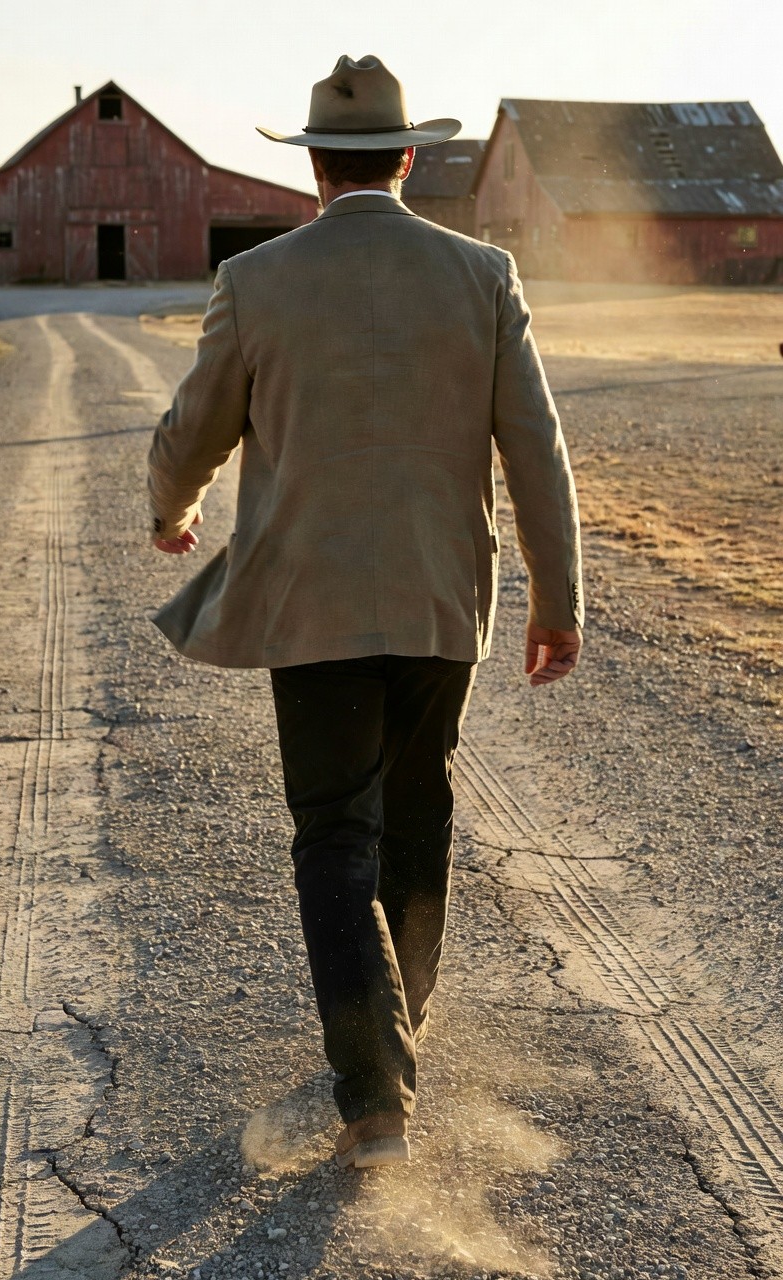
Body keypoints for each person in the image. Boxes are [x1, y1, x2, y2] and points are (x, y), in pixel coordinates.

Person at [148, 55, 584, 1170]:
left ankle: (377, 1094)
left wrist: (172, 508)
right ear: (405, 157)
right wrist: (556, 595)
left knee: (336, 832)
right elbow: (536, 449)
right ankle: (397, 1031)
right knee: (418, 808)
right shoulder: (483, 273)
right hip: (444, 595)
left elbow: (197, 421)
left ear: (313, 171)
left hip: (313, 602)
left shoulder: (260, 279)